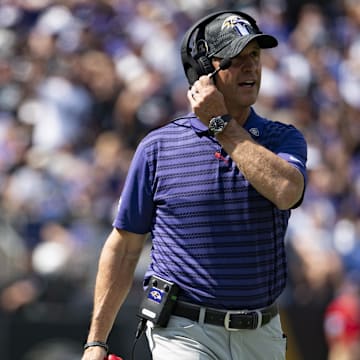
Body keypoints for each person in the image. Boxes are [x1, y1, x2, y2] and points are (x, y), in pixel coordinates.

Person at [81, 10, 307, 360]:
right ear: (204, 72)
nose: (250, 67)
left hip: (261, 333)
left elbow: (287, 192)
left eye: (255, 56)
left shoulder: (282, 139)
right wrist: (96, 342)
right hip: (184, 331)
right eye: (234, 58)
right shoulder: (159, 147)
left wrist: (222, 124)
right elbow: (124, 246)